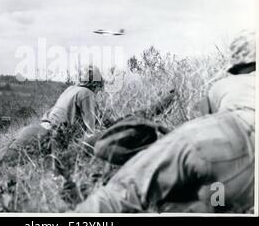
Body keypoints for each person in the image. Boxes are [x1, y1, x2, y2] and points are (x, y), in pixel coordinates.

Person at [73, 30, 255, 213]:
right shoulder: (84, 94)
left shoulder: (223, 85)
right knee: (217, 200)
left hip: (227, 137)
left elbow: (208, 127)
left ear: (237, 68)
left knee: (125, 191)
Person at [0, 65, 105, 165]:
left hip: (33, 130)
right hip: (45, 136)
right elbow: (90, 131)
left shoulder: (71, 89)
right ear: (95, 83)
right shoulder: (87, 93)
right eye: (99, 88)